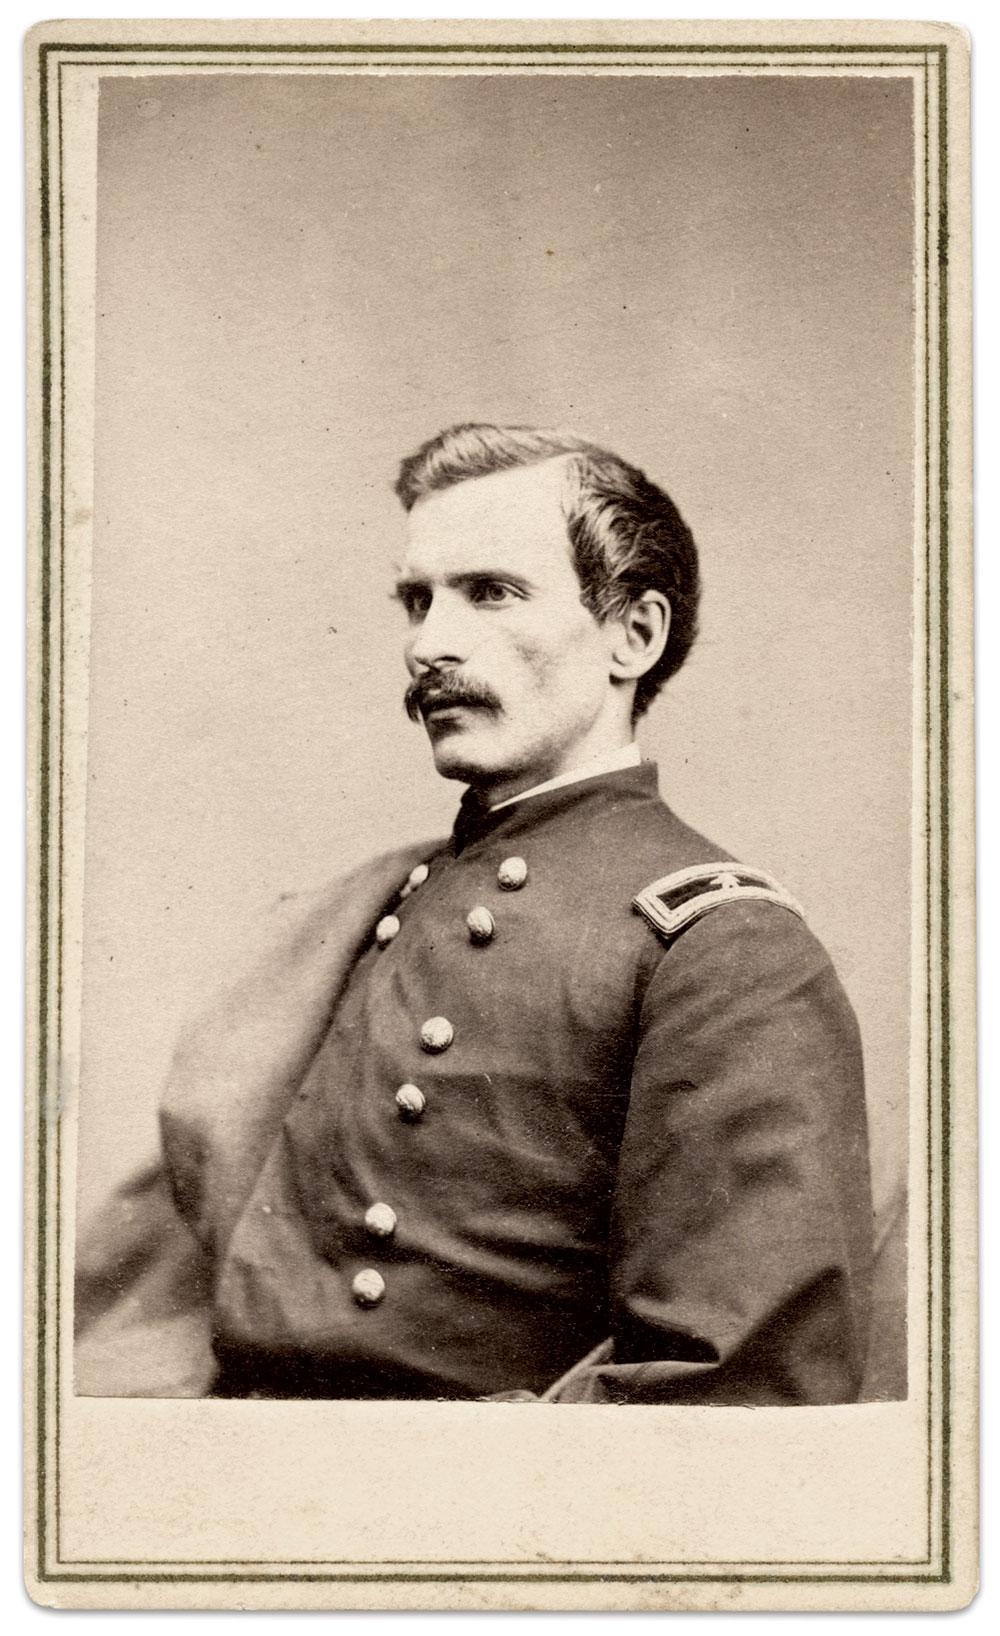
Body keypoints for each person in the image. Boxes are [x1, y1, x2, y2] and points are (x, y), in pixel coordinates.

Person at [76, 423, 878, 1404]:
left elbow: (739, 1391)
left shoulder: (722, 947)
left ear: (635, 634)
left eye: (490, 593)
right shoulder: (373, 904)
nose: (429, 643)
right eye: (417, 600)